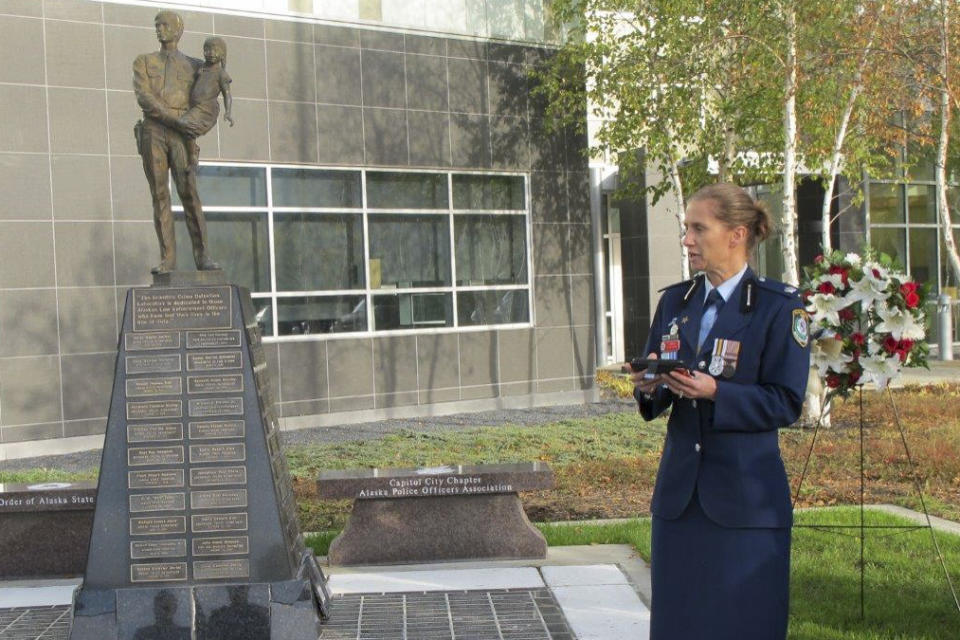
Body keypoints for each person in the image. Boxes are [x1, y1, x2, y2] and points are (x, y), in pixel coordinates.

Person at [630, 182, 810, 640]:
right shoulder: (676, 302)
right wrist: (649, 386)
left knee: (744, 623)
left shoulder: (779, 307)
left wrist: (717, 393)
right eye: (686, 228)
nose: (687, 239)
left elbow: (786, 401)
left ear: (737, 234)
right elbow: (659, 390)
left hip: (746, 503)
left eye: (698, 228)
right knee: (679, 624)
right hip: (679, 501)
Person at [133, 10, 219, 275]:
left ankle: (203, 256)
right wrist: (175, 119)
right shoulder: (144, 62)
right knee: (159, 195)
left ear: (178, 30)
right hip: (154, 132)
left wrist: (195, 125)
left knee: (189, 193)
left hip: (183, 135)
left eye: (164, 25)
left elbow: (209, 102)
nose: (159, 29)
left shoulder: (196, 66)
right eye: (156, 25)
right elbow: (144, 97)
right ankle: (167, 259)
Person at [177, 36, 234, 167]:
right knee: (181, 125)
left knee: (184, 123)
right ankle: (190, 150)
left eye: (215, 50)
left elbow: (227, 94)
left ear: (222, 54)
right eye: (207, 50)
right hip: (195, 107)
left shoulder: (221, 74)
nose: (211, 53)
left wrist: (228, 112)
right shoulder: (202, 69)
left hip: (207, 109)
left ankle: (193, 151)